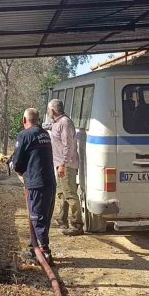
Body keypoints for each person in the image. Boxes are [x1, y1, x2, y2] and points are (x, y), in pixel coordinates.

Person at [8, 108, 56, 264]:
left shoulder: (24, 135)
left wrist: (11, 164)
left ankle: (44, 252)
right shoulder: (44, 134)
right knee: (44, 216)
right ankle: (35, 247)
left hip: (36, 183)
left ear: (24, 120)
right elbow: (33, 154)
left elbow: (18, 164)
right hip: (49, 181)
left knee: (36, 217)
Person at [47, 99, 83, 236]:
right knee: (62, 193)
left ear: (52, 111)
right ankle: (62, 219)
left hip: (66, 165)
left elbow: (68, 145)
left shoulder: (65, 123)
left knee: (70, 195)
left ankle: (77, 225)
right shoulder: (57, 123)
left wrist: (63, 164)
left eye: (48, 110)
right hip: (60, 164)